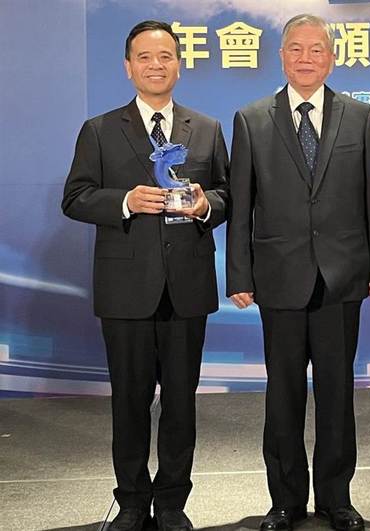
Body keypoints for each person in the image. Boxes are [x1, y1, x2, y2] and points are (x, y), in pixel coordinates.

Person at [226, 13, 370, 531]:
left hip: (342, 277)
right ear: (281, 57)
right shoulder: (251, 119)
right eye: (295, 49)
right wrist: (238, 275)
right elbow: (241, 205)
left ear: (332, 57)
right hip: (278, 277)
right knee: (283, 395)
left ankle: (336, 498)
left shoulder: (360, 117)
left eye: (316, 49)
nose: (305, 58)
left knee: (338, 394)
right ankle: (285, 501)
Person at [62, 20, 229, 531]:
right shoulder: (99, 130)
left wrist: (205, 205)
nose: (156, 65)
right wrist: (126, 201)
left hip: (187, 287)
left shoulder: (206, 128)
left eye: (165, 57)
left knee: (181, 404)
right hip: (126, 290)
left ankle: (173, 502)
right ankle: (132, 501)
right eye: (145, 57)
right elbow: (75, 198)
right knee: (129, 403)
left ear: (179, 64)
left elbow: (228, 194)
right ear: (128, 67)